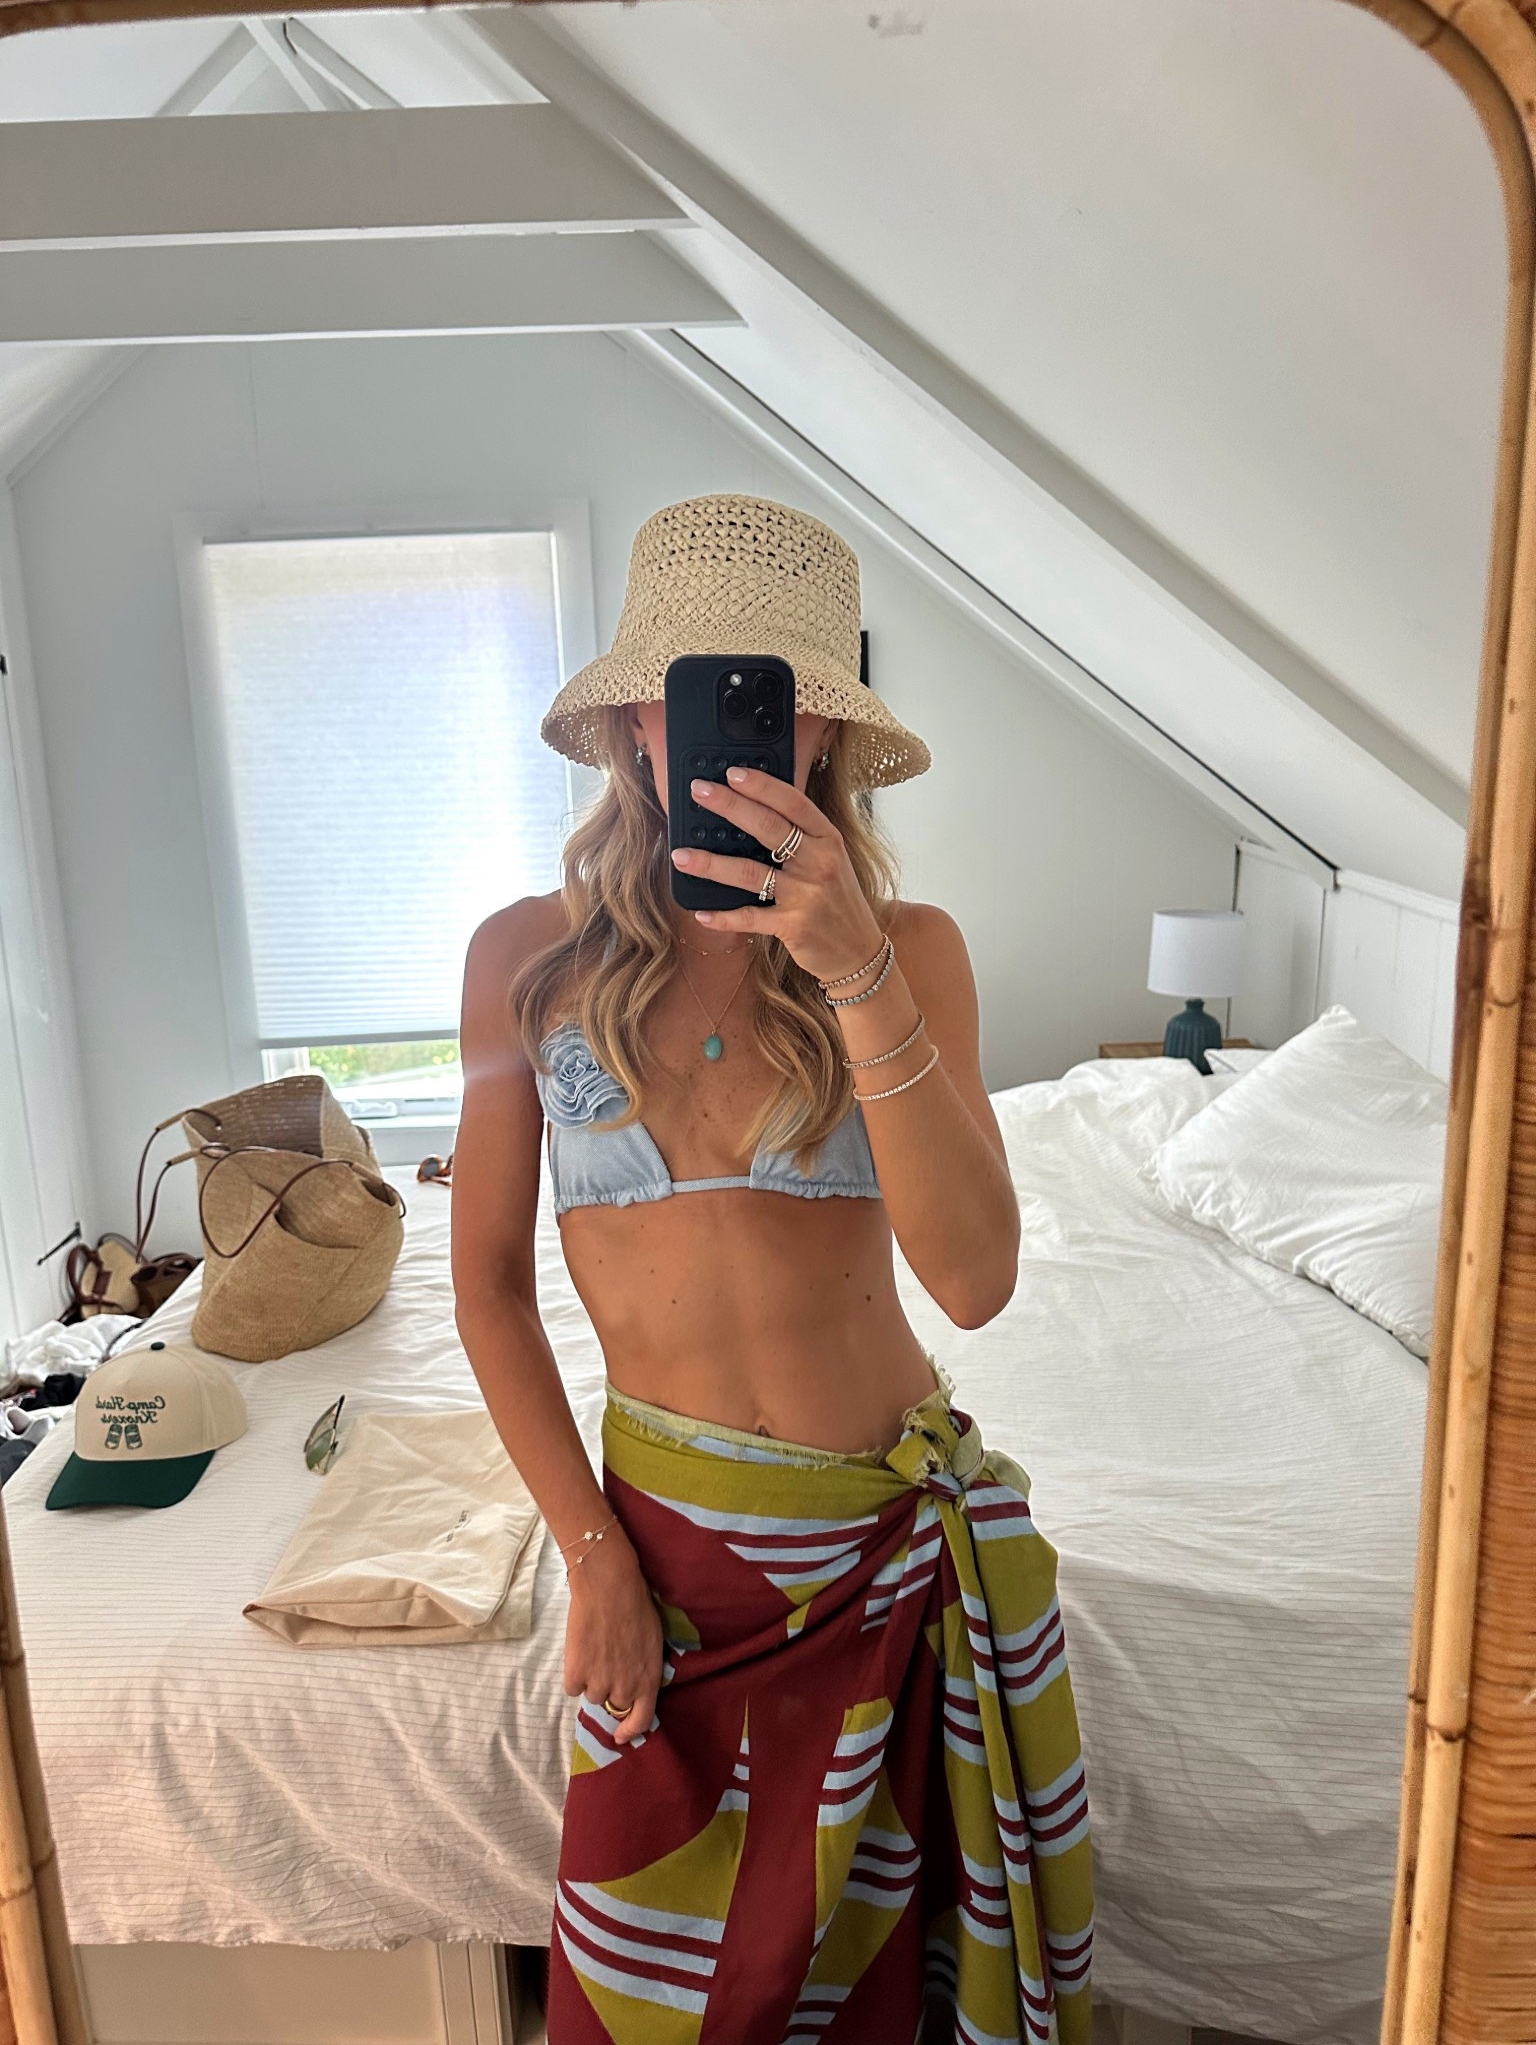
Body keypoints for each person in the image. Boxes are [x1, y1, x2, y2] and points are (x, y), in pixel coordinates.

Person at [451, 494, 1093, 2043]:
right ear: (633, 720)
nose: (745, 737)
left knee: (878, 2002)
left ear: (830, 734)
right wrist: (594, 1558)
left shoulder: (911, 949)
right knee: (644, 1999)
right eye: (701, 694)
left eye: (787, 701)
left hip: (882, 1557)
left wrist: (857, 972)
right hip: (667, 1570)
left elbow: (977, 1280)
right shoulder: (525, 960)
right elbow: (486, 1288)